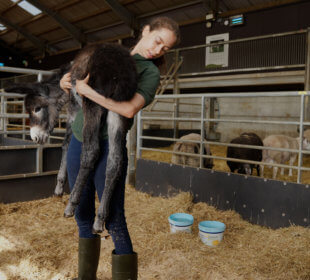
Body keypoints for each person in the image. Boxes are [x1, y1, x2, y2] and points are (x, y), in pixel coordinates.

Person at [60, 16, 180, 280]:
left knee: (113, 219)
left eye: (165, 49)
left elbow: (128, 109)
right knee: (82, 213)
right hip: (80, 140)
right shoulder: (109, 56)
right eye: (158, 41)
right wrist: (67, 85)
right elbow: (78, 91)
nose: (159, 50)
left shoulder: (149, 72)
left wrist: (87, 91)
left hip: (109, 149)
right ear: (145, 31)